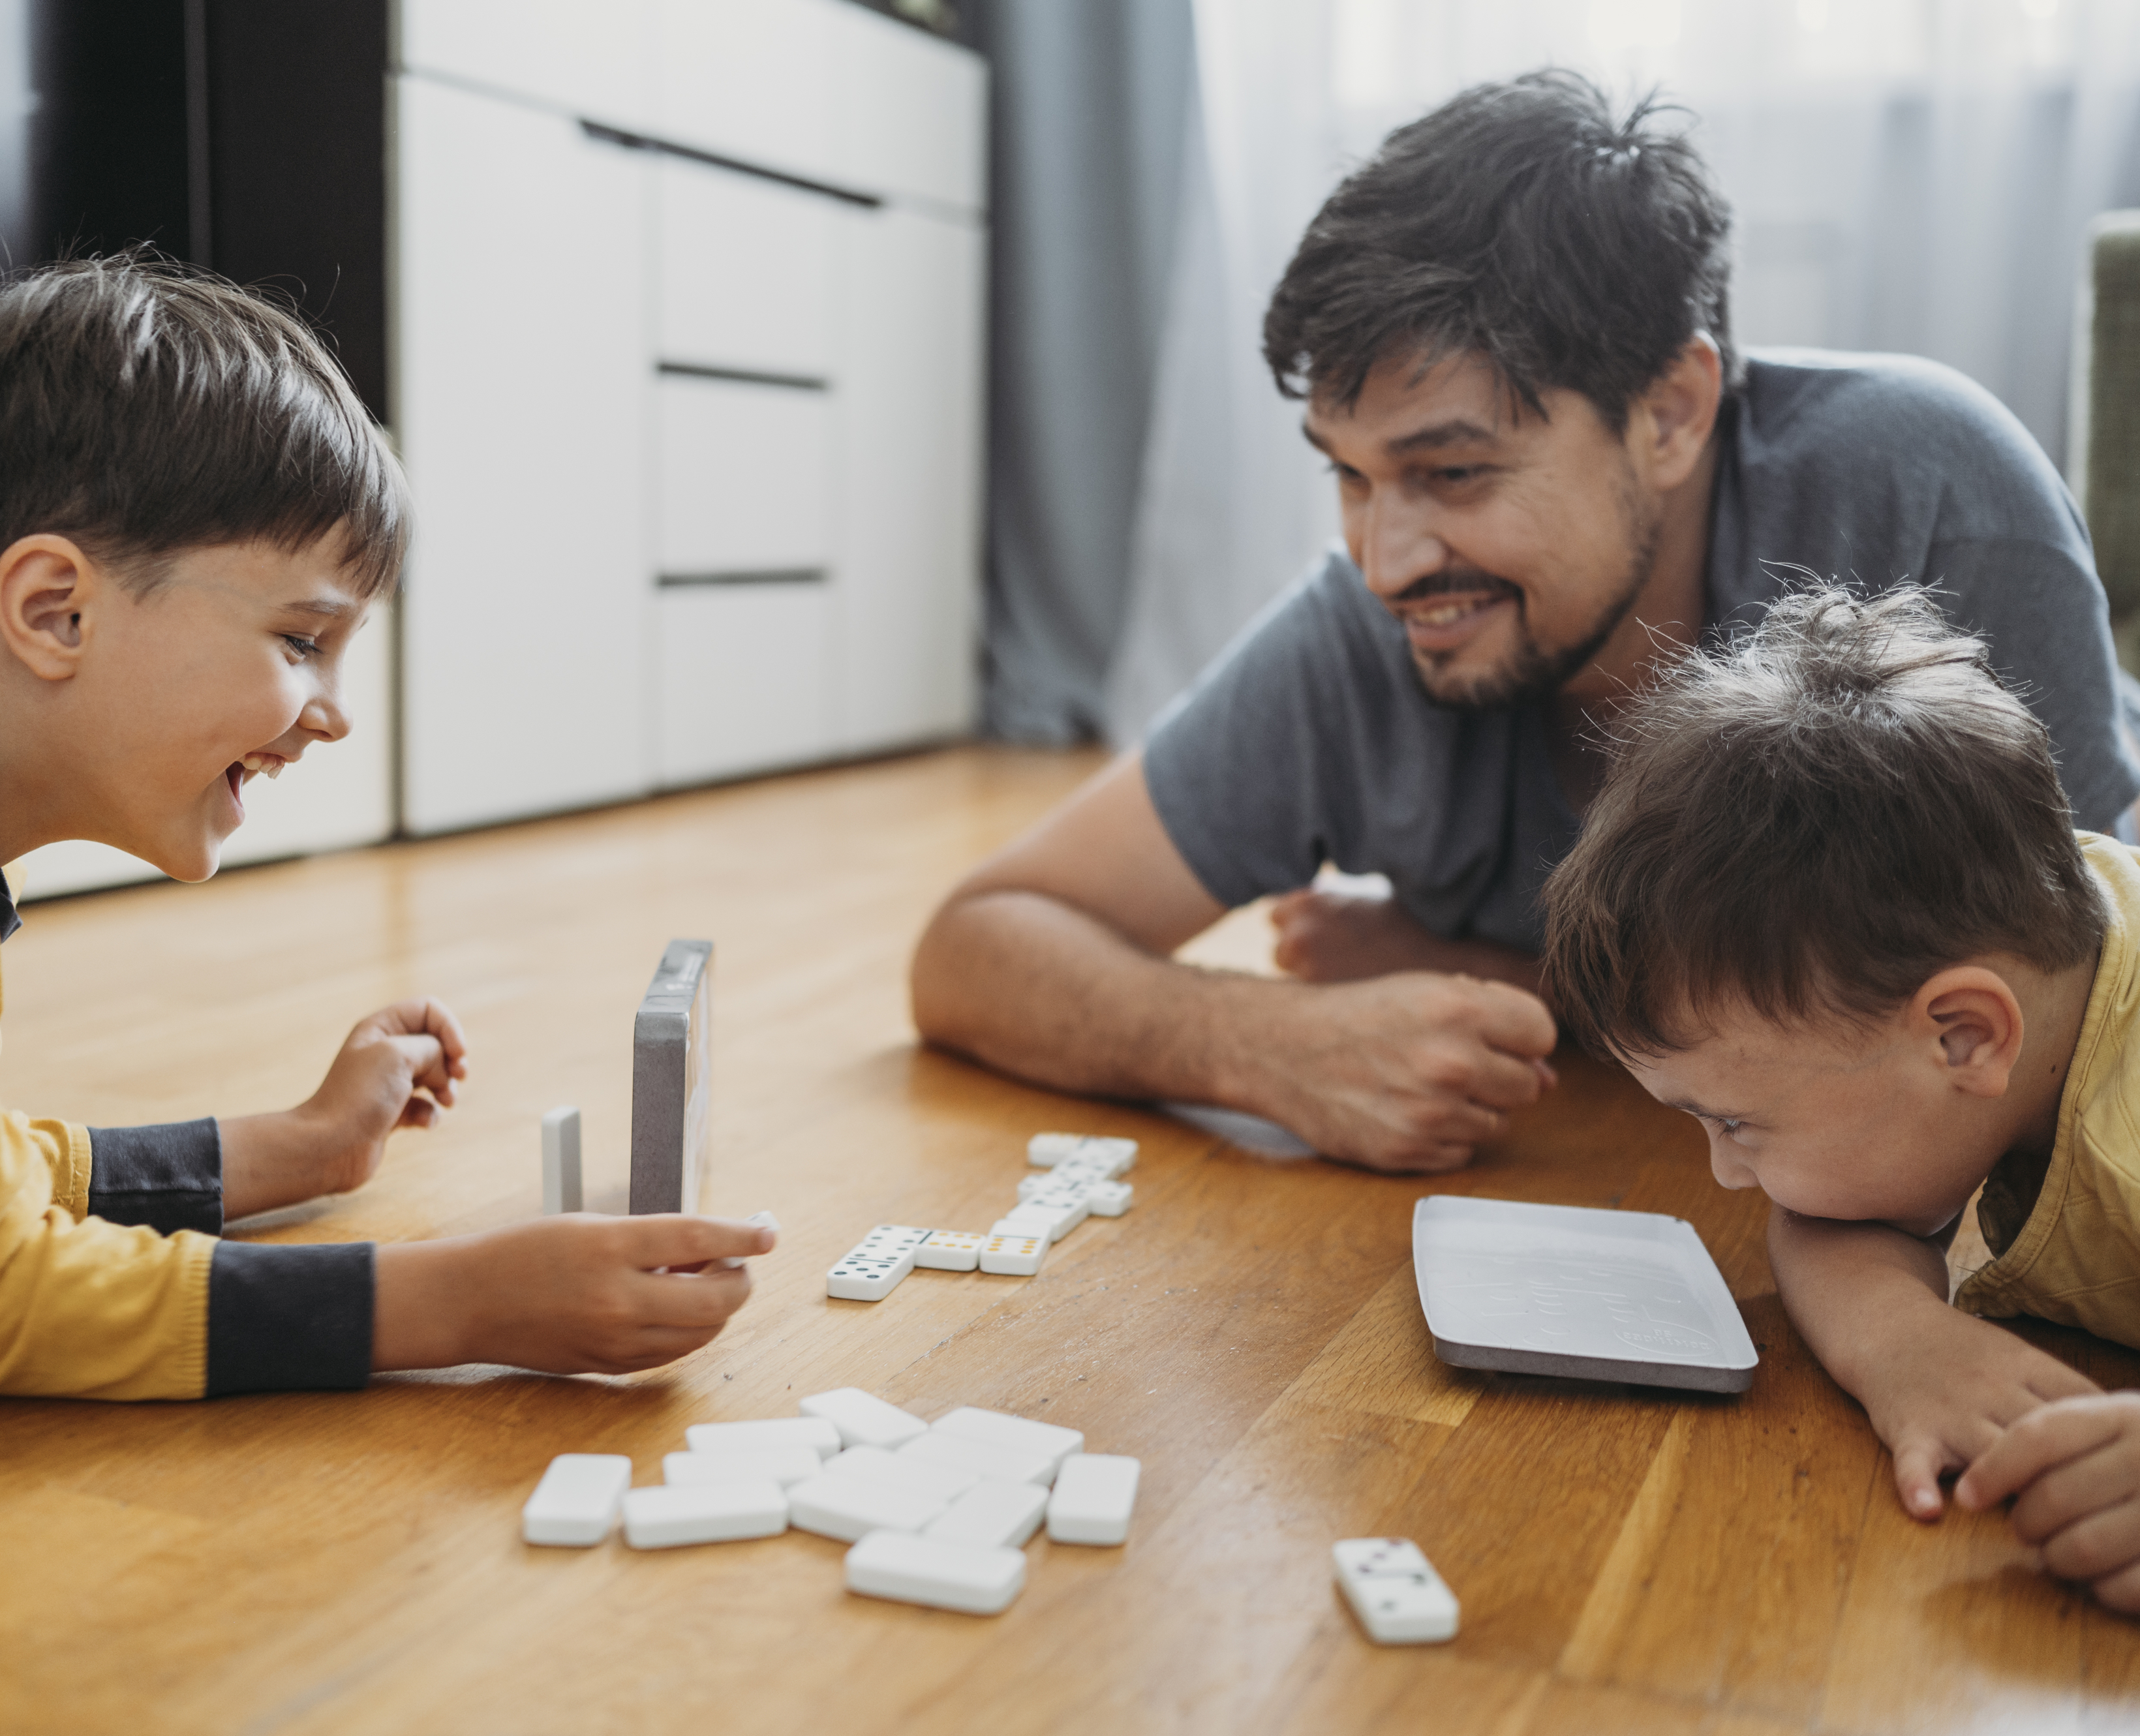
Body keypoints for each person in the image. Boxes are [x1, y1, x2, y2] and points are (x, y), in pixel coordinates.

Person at [0, 258, 771, 1423]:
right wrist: (457, 1297)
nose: (333, 713)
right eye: (300, 641)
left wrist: (296, 1149)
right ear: (54, 610)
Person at [912, 71, 2140, 1174]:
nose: (1383, 561)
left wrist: (1487, 974)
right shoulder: (1374, 623)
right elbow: (975, 948)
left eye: (1454, 473)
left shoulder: (1932, 496)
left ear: (1669, 411)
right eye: (1347, 474)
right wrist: (1260, 1040)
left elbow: (2049, 1031)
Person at [1542, 586, 2140, 1609]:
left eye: (1737, 1122)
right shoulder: (2019, 945)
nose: (1727, 1172)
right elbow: (1831, 1211)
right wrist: (1901, 1341)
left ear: (1963, 1034)